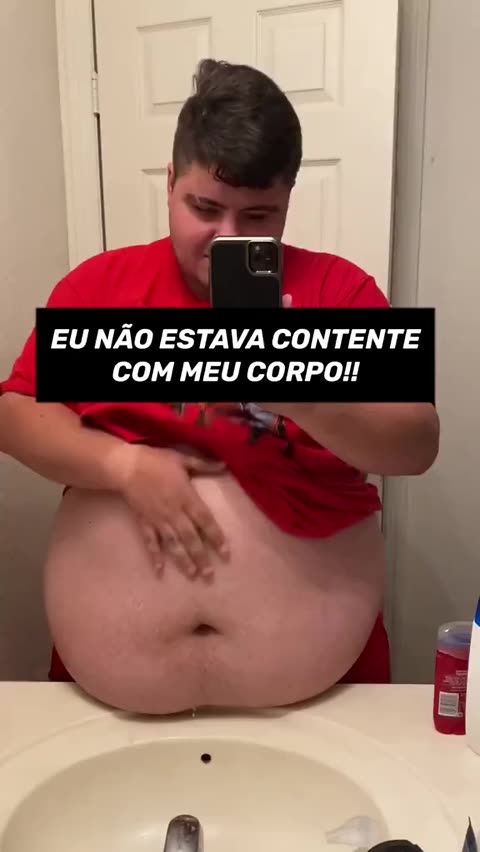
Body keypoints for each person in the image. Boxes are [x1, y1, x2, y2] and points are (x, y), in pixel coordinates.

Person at [0, 59, 439, 714]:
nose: (226, 238)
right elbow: (14, 415)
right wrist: (123, 466)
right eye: (204, 208)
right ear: (170, 183)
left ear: (288, 201)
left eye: (258, 214)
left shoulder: (339, 293)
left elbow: (418, 444)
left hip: (320, 697)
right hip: (113, 703)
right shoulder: (100, 290)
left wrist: (303, 390)